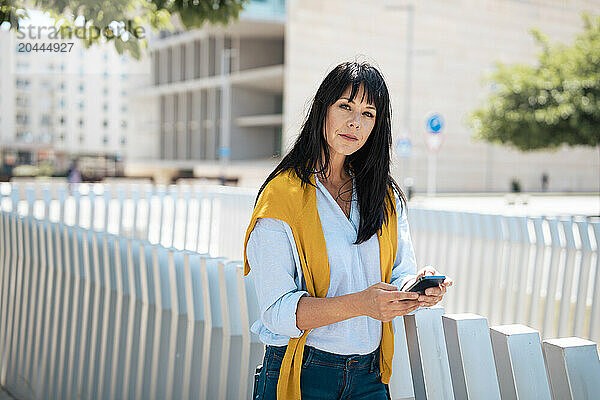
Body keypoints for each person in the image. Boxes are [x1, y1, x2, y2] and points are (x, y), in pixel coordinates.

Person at [243, 61, 453, 400]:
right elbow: (277, 312)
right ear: (322, 110)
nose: (355, 122)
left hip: (370, 377)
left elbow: (400, 273)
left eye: (369, 113)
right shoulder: (281, 196)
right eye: (345, 106)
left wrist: (415, 288)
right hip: (302, 373)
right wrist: (363, 304)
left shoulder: (384, 195)